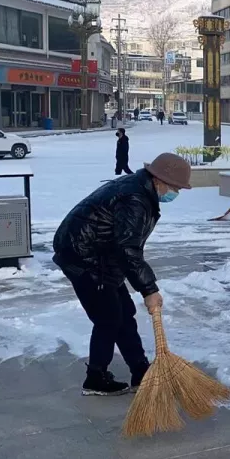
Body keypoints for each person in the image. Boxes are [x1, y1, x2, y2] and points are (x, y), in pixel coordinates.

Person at [53, 152, 192, 395]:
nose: (176, 193)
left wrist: (141, 282)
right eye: (174, 187)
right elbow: (128, 247)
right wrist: (149, 289)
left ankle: (140, 370)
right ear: (159, 180)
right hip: (84, 258)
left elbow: (125, 244)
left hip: (101, 255)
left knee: (124, 313)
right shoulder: (135, 198)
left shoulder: (139, 189)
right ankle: (96, 378)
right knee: (109, 318)